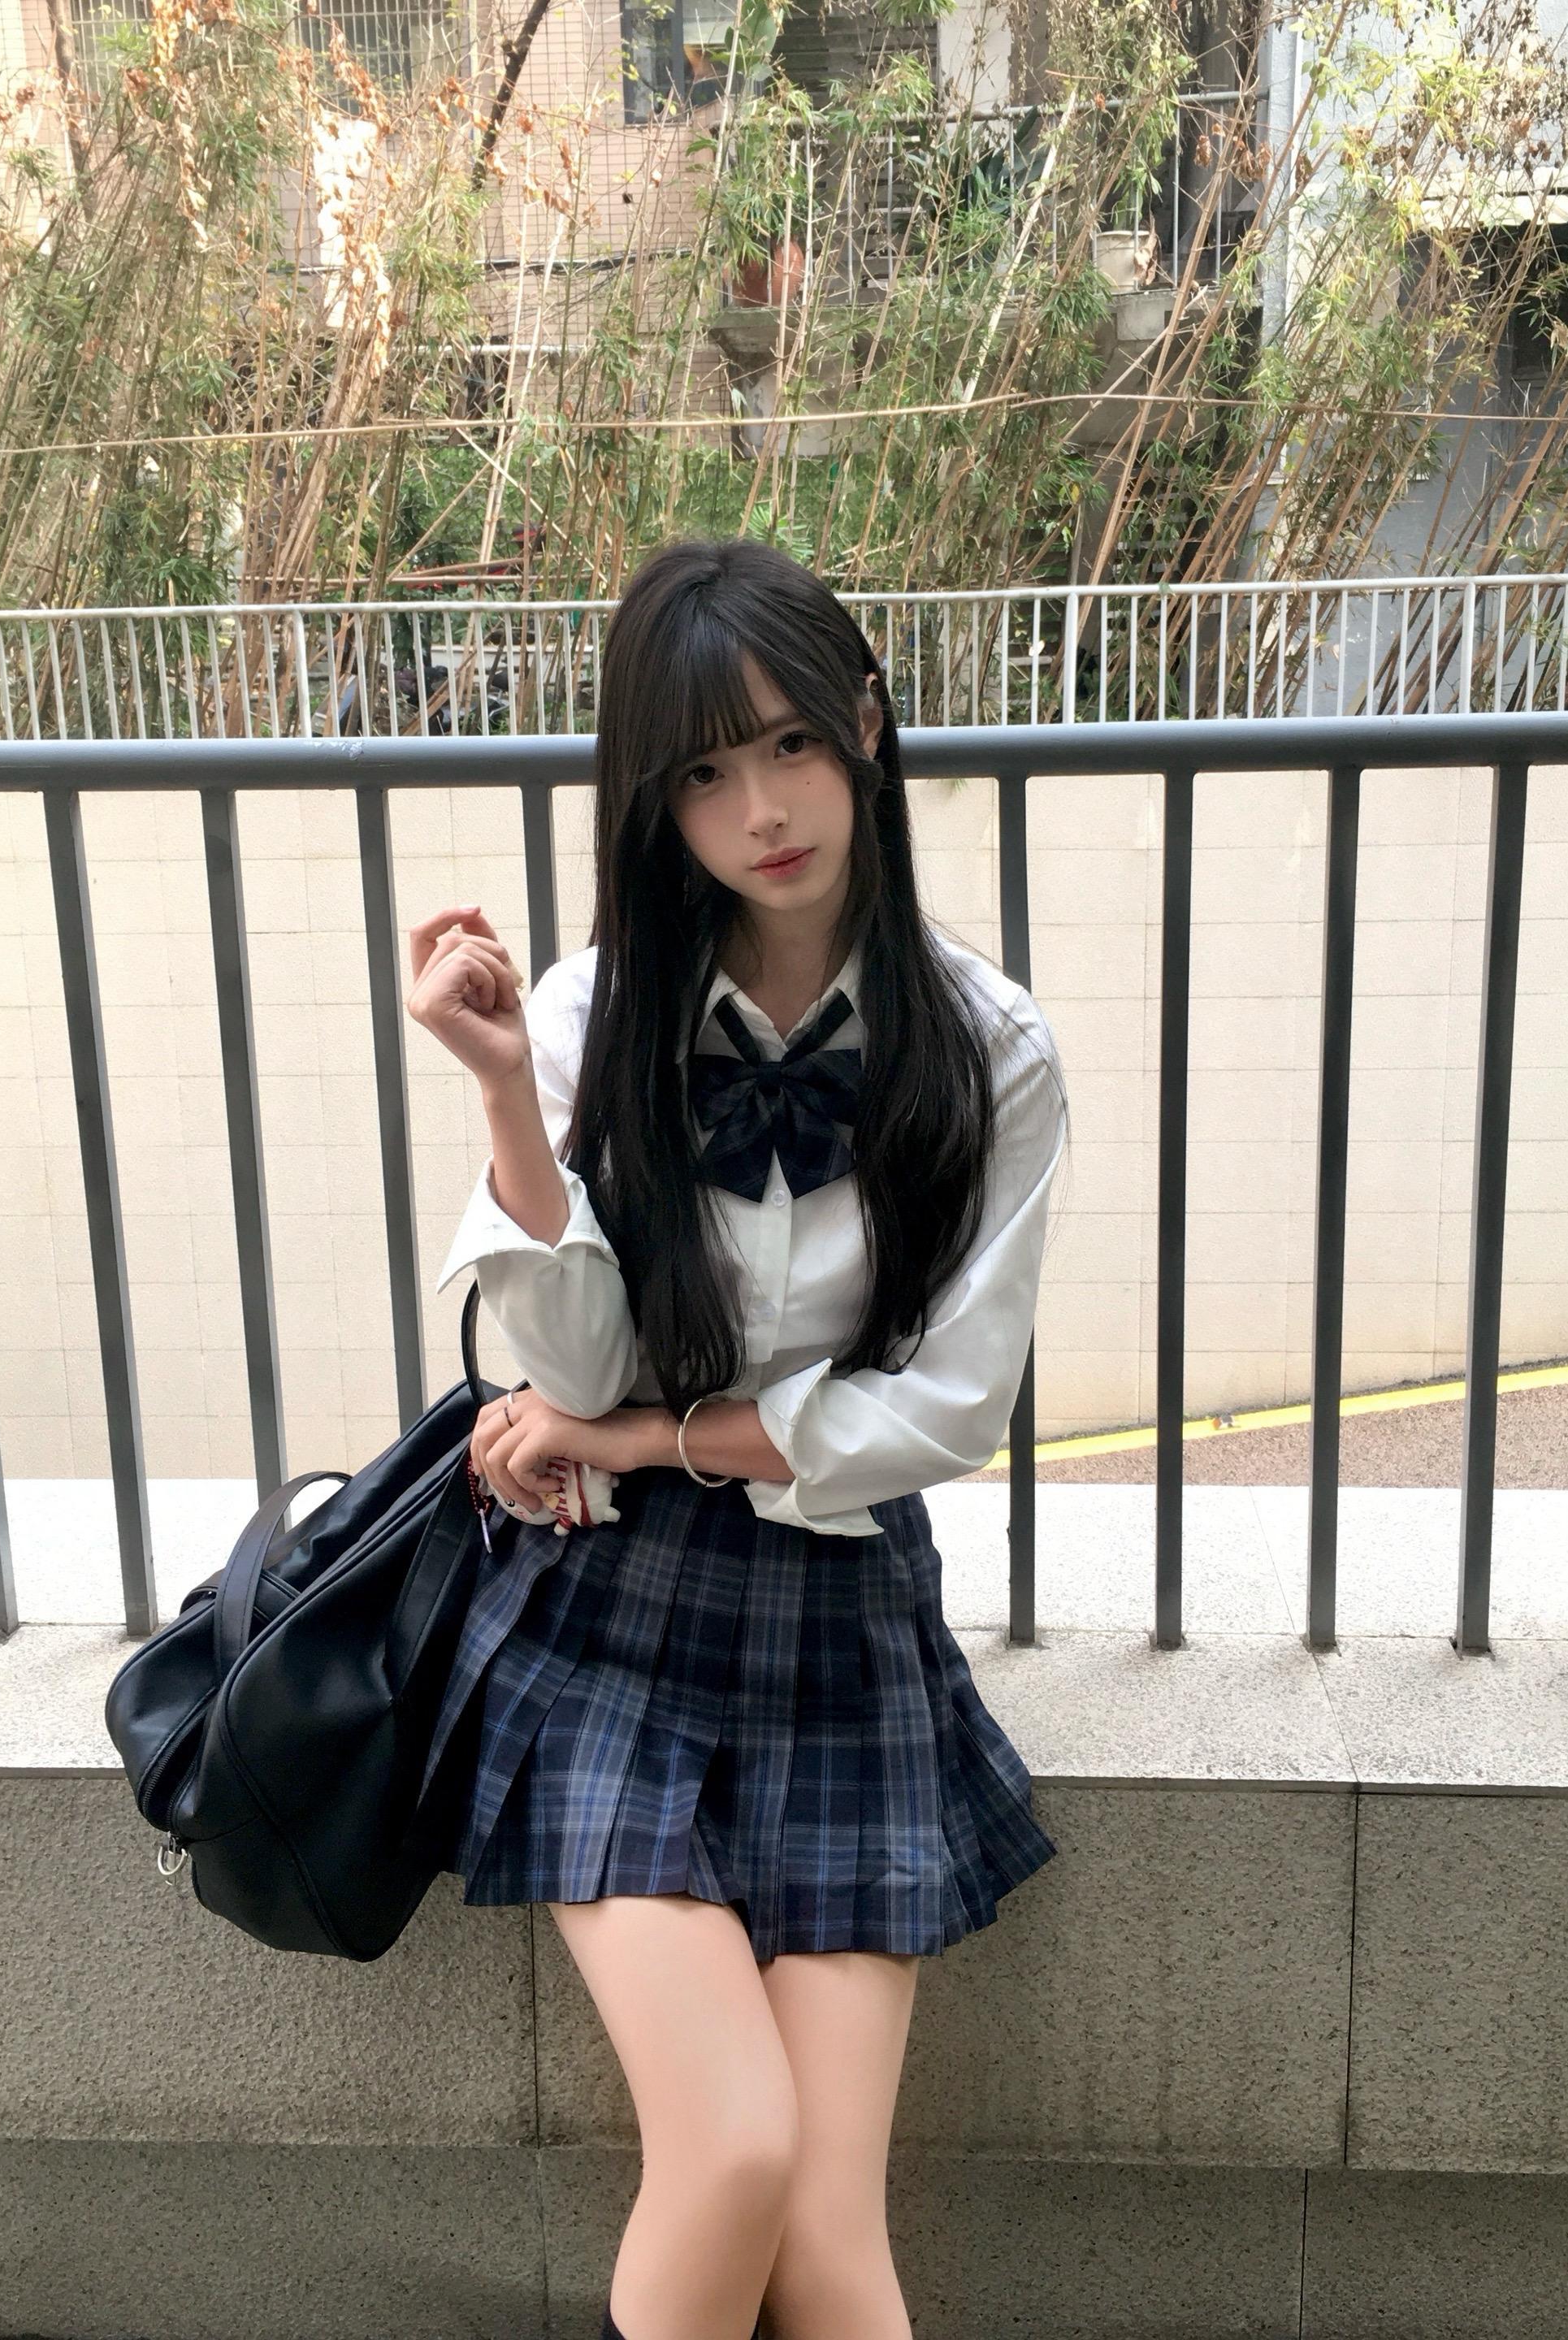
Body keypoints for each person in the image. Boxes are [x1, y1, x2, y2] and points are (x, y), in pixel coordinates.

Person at [405, 536, 1071, 2340]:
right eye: (704, 771)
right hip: (606, 1620)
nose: (761, 809)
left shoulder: (990, 1049)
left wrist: (635, 1436)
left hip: (841, 1610)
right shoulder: (584, 1015)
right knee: (736, 2152)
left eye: (789, 744)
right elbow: (572, 1349)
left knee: (830, 2235)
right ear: (654, 798)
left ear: (866, 725)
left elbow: (948, 1409)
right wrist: (506, 1100)